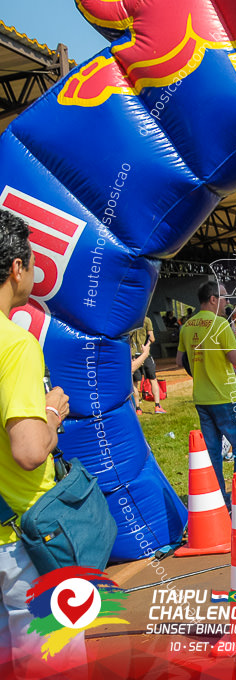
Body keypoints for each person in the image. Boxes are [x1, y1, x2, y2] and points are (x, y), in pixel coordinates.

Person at [0, 210, 84, 677]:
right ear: (17, 267)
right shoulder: (15, 345)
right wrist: (52, 411)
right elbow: (30, 451)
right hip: (23, 544)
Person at [176, 282, 236, 500]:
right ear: (212, 299)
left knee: (213, 453)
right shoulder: (220, 324)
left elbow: (180, 360)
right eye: (225, 298)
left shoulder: (187, 326)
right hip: (225, 397)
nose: (227, 302)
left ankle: (219, 498)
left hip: (202, 398)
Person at [130, 314, 166, 414]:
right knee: (153, 379)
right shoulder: (146, 320)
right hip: (144, 354)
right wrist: (147, 346)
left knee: (134, 383)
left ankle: (137, 408)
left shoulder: (129, 319)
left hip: (133, 355)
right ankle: (157, 406)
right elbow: (152, 338)